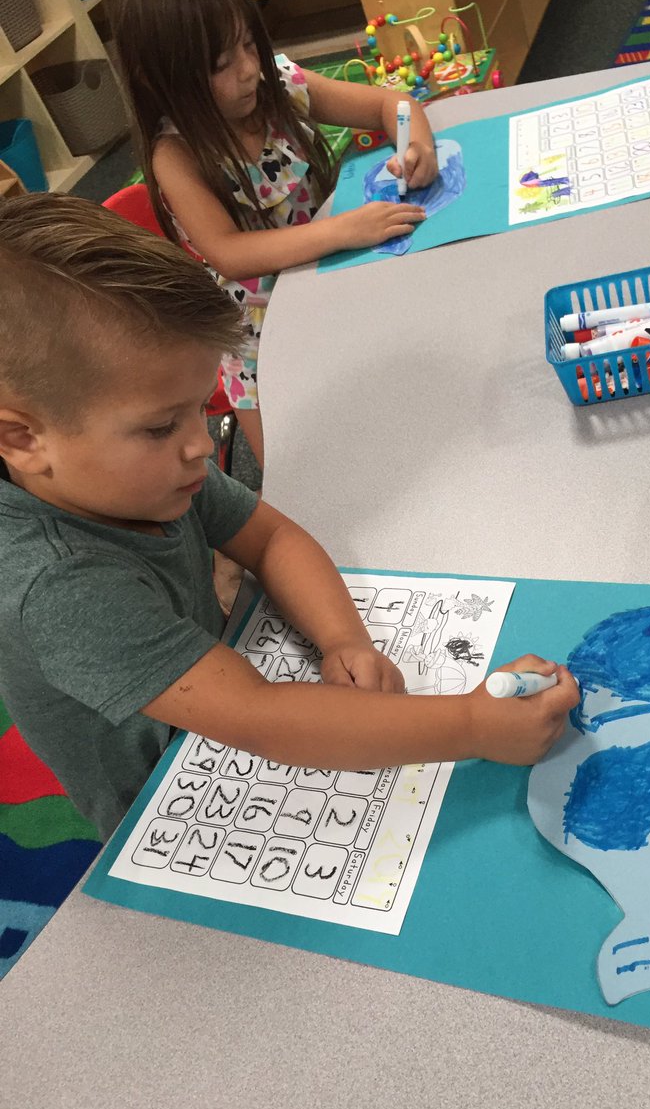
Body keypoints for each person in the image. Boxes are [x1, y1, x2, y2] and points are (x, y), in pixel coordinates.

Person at [0, 195, 578, 841]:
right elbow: (260, 717)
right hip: (155, 792)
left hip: (207, 690)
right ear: (22, 439)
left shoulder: (146, 473)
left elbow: (272, 538)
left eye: (199, 407)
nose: (200, 444)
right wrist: (472, 726)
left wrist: (343, 640)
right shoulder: (60, 585)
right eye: (162, 425)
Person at [107, 0, 438, 469]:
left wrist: (415, 144)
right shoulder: (177, 154)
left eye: (248, 43)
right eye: (221, 63)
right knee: (300, 472)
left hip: (337, 285)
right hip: (263, 337)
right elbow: (230, 253)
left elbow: (390, 104)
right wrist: (343, 230)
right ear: (159, 77)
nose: (248, 70)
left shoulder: (276, 84)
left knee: (399, 416)